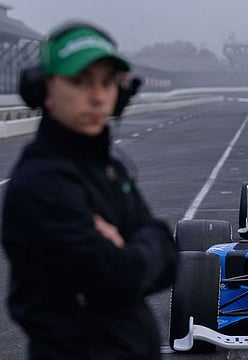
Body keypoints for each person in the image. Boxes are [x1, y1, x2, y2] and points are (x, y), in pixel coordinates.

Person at [2, 21, 177, 359]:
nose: (97, 96)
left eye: (107, 82)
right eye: (79, 82)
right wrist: (142, 248)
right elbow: (118, 274)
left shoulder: (110, 169)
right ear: (44, 90)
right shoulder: (40, 183)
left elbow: (169, 255)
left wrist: (134, 249)